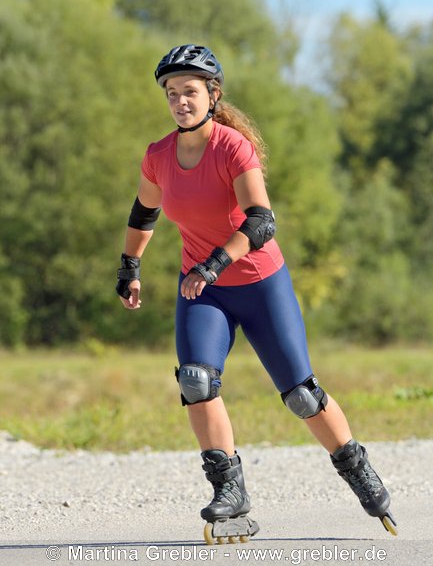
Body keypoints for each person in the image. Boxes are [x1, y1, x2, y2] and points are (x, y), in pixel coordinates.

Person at [116, 44, 396, 544]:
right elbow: (144, 213)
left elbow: (262, 221)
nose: (181, 101)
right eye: (172, 93)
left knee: (301, 395)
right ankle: (231, 494)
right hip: (204, 292)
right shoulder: (159, 155)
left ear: (213, 95)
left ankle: (356, 468)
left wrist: (215, 262)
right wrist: (130, 266)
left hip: (260, 284)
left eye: (191, 92)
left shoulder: (232, 147)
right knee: (196, 381)